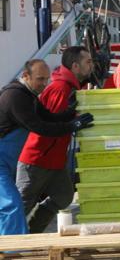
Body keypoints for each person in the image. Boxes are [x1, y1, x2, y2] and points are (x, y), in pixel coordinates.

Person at [0, 59, 93, 235]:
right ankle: (12, 249)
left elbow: (48, 117)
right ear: (25, 76)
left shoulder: (29, 94)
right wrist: (72, 125)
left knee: (14, 204)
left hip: (8, 161)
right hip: (5, 161)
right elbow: (40, 128)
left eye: (46, 79)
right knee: (12, 204)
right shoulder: (15, 97)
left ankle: (18, 243)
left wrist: (70, 113)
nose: (44, 84)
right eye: (40, 79)